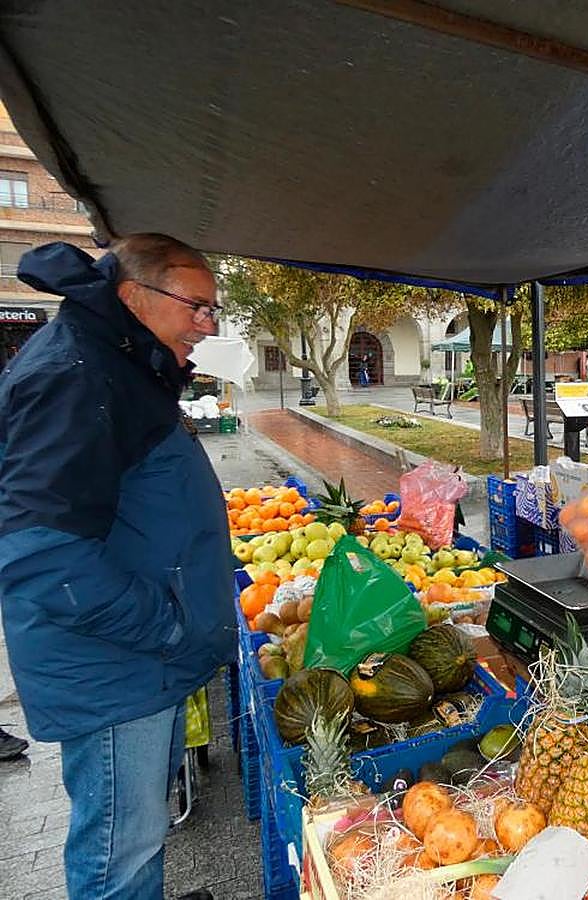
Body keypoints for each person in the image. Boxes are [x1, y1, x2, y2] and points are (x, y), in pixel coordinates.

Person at [0, 236, 236, 900]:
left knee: (136, 833)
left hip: (134, 663)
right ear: (134, 295)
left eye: (213, 310)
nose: (207, 325)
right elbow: (43, 554)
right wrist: (167, 627)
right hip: (115, 666)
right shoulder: (78, 376)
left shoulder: (117, 361)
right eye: (196, 306)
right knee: (118, 851)